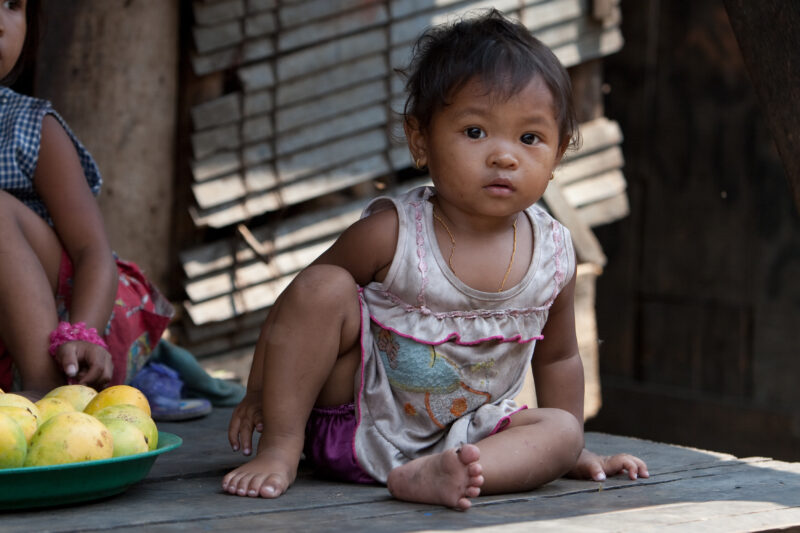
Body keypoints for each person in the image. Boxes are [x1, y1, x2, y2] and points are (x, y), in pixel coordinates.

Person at [222, 9, 648, 510]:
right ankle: (282, 451)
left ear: (556, 158)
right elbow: (298, 304)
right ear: (420, 140)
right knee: (323, 284)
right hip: (357, 422)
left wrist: (571, 446)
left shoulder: (554, 254)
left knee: (559, 430)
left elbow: (559, 358)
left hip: (468, 440)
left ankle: (434, 476)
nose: (504, 156)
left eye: (529, 138)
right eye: (474, 132)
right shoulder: (394, 233)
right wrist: (258, 394)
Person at [0, 0, 173, 396]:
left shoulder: (29, 130)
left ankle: (47, 395)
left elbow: (93, 252)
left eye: (12, 4)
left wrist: (83, 333)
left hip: (81, 339)